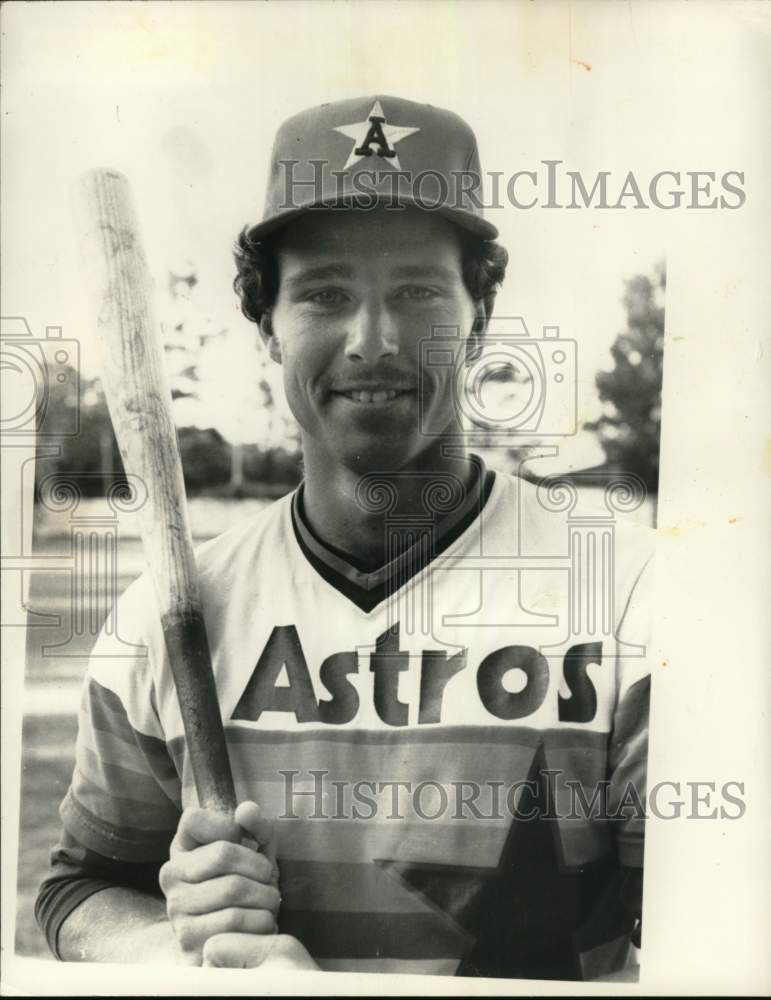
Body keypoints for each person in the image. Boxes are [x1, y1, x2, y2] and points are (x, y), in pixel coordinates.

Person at [36, 95, 653, 980]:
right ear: (266, 324)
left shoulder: (631, 592)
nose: (373, 340)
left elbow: (718, 932)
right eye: (324, 294)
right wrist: (188, 953)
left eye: (418, 291)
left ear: (479, 316)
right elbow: (80, 891)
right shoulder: (161, 619)